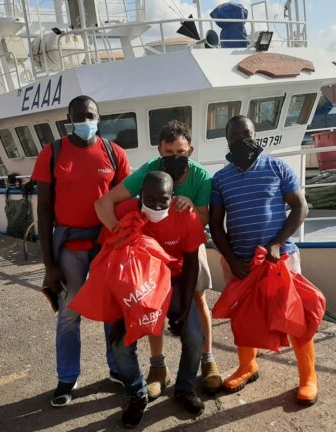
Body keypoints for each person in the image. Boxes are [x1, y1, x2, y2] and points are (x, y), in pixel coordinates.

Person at [95, 120, 222, 398]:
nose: (174, 158)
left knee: (197, 298)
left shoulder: (200, 177)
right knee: (153, 301)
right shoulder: (149, 171)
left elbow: (204, 219)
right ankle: (158, 366)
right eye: (168, 152)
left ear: (190, 150)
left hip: (186, 242)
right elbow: (103, 203)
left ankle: (207, 359)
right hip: (151, 247)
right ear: (159, 151)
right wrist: (124, 237)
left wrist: (189, 206)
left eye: (180, 152)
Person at [209, 115, 318, 405]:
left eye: (246, 134)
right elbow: (216, 225)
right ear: (228, 140)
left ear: (255, 135)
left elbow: (300, 207)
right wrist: (230, 259)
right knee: (243, 319)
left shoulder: (278, 168)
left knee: (295, 316)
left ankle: (308, 376)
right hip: (242, 263)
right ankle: (247, 366)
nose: (241, 140)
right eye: (234, 136)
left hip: (279, 260)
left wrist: (277, 243)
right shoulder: (220, 179)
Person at [32, 95, 130, 407]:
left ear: (99, 117)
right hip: (68, 244)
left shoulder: (114, 154)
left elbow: (126, 203)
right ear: (69, 118)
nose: (85, 121)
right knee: (69, 312)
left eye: (90, 115)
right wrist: (49, 263)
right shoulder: (53, 153)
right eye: (79, 116)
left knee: (111, 310)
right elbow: (44, 208)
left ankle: (118, 369)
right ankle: (67, 378)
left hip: (106, 243)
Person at [103, 171, 206, 428]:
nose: (157, 206)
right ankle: (137, 393)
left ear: (173, 197)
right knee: (119, 343)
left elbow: (191, 264)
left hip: (174, 282)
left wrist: (183, 310)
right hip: (139, 286)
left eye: (163, 200)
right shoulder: (126, 213)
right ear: (140, 196)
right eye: (150, 199)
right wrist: (121, 312)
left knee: (194, 335)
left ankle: (185, 388)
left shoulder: (186, 216)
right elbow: (114, 260)